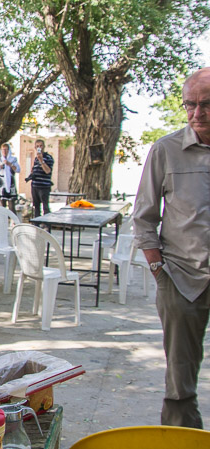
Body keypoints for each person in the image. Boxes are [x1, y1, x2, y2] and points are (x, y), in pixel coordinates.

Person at [132, 67, 210, 429]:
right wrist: (158, 269)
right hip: (181, 278)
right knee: (180, 382)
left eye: (206, 104)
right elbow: (144, 217)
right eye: (190, 105)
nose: (197, 114)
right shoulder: (166, 150)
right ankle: (180, 438)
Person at [28, 139, 54, 217]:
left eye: (41, 146)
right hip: (35, 185)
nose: (39, 147)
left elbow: (48, 171)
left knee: (45, 207)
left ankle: (47, 225)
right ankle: (36, 225)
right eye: (37, 146)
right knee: (36, 207)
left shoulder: (48, 157)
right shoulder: (36, 159)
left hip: (44, 186)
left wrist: (41, 160)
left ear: (44, 147)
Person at [0, 142, 20, 212]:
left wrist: (10, 164)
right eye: (3, 150)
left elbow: (18, 170)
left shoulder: (13, 159)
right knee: (2, 206)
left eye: (6, 150)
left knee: (11, 206)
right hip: (1, 184)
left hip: (10, 183)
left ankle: (13, 222)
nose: (4, 151)